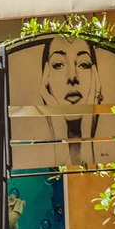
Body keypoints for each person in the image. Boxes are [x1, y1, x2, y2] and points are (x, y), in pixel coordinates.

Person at [40, 36, 104, 166]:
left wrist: (87, 131)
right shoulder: (33, 152)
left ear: (94, 75)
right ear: (46, 77)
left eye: (83, 64)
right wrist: (57, 126)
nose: (72, 77)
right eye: (58, 65)